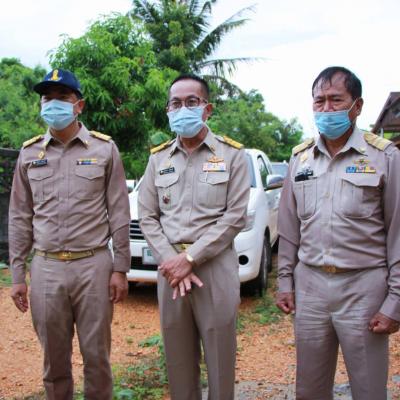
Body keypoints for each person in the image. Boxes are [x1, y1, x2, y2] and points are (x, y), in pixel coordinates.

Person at [276, 66, 400, 400]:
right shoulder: (300, 158)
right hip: (311, 287)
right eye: (319, 101)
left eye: (336, 100)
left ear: (357, 106)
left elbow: (398, 234)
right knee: (310, 388)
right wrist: (285, 281)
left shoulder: (385, 157)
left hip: (364, 286)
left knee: (369, 388)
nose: (326, 109)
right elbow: (288, 227)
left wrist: (395, 301)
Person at [8, 68, 131, 400]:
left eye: (62, 98)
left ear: (79, 105)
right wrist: (17, 275)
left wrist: (120, 268)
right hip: (46, 268)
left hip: (93, 266)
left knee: (97, 358)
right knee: (54, 361)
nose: (53, 104)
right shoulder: (29, 154)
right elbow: (19, 216)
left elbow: (119, 211)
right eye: (47, 99)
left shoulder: (104, 149)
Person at [138, 74, 250, 400]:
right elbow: (147, 215)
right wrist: (172, 261)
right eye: (175, 103)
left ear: (207, 109)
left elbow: (234, 217)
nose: (182, 109)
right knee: (178, 360)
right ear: (168, 110)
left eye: (191, 102)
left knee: (219, 359)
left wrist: (190, 258)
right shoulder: (158, 158)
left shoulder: (232, 155)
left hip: (213, 267)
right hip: (171, 271)